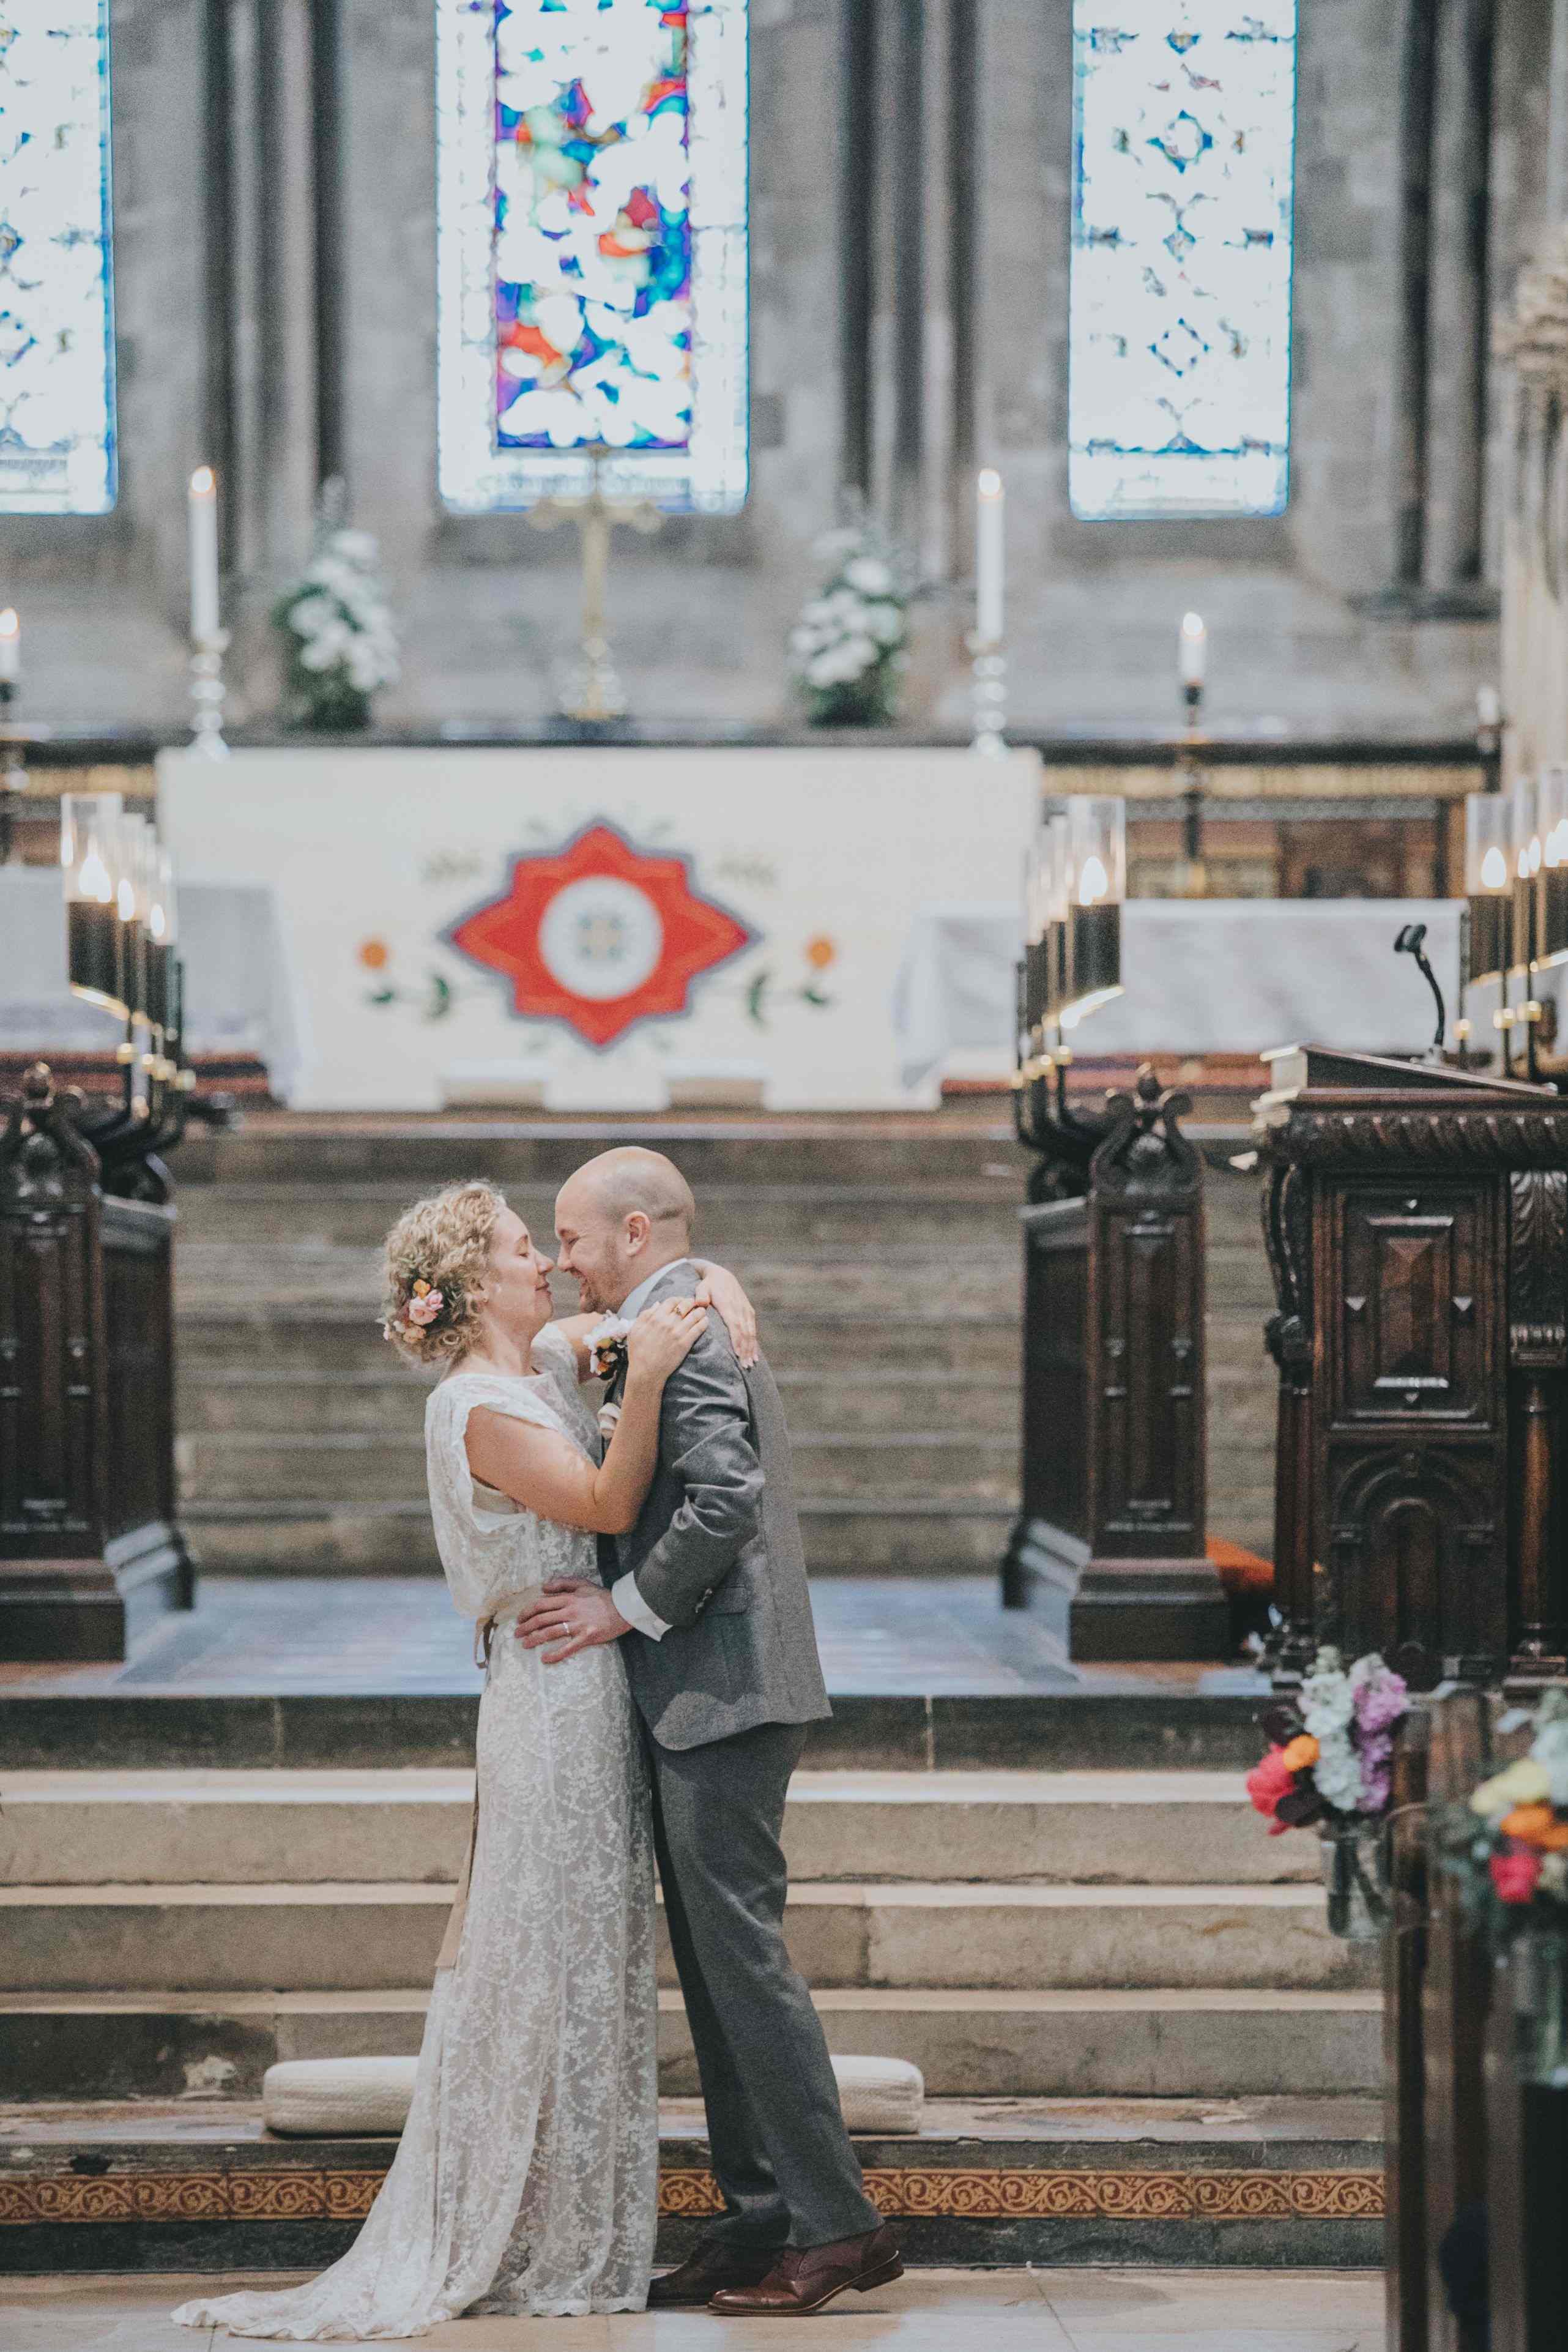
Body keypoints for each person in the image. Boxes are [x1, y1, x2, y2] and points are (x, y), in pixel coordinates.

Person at [173, 1178, 756, 2338]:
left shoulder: (536, 1360)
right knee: (540, 1947)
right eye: (518, 1245)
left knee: (589, 1949)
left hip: (588, 1683)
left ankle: (572, 2223)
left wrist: (718, 1288)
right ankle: (523, 2228)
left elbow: (666, 1291)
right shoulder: (475, 1408)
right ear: (472, 1280)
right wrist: (642, 1381)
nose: (543, 1256)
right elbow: (599, 1499)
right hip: (549, 1696)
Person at [515, 1144, 902, 2318]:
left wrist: (623, 1607)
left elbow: (725, 1499)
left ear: (636, 1234)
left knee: (744, 1962)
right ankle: (761, 2216)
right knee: (716, 1968)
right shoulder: (666, 1317)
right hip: (702, 1683)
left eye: (575, 1238)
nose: (564, 1258)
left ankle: (840, 2228)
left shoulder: (681, 1327)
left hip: (723, 1682)